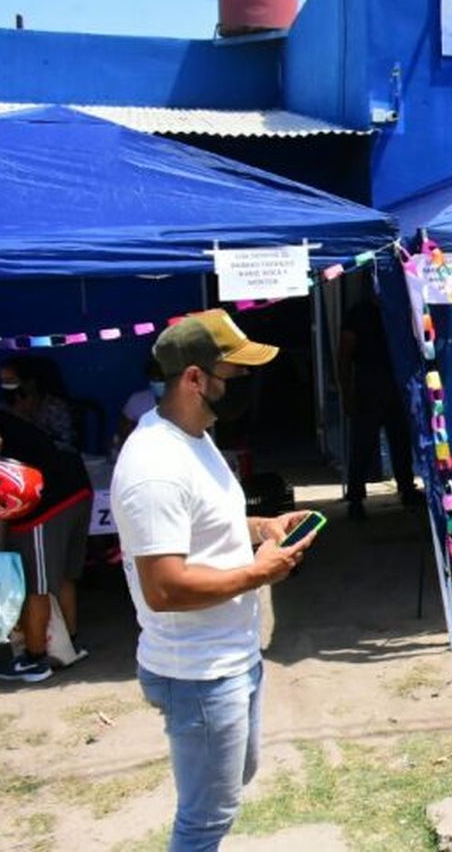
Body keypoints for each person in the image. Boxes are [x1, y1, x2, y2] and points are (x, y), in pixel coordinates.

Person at [111, 309, 318, 852]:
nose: (246, 387)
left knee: (232, 781)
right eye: (235, 375)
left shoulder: (195, 436)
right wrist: (257, 572)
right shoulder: (155, 466)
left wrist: (262, 528)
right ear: (195, 378)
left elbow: (206, 524)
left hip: (231, 656)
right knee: (205, 818)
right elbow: (165, 587)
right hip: (198, 673)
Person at [0, 406, 93, 683]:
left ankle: (35, 661)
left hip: (46, 503)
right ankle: (69, 647)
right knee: (61, 576)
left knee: (36, 584)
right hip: (76, 489)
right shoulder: (7, 416)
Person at [339, 290, 419, 523]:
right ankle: (355, 499)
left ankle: (407, 489)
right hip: (368, 386)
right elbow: (344, 354)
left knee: (401, 440)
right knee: (363, 445)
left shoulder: (402, 307)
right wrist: (346, 393)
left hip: (398, 385)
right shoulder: (359, 313)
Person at [0, 354, 76, 451]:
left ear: (31, 382)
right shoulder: (4, 408)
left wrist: (25, 420)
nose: (6, 385)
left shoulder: (55, 407)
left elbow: (66, 443)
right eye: (3, 381)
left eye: (11, 380)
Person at [117, 358, 168, 446]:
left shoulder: (186, 403)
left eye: (161, 378)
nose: (158, 381)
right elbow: (123, 433)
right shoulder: (137, 400)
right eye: (154, 378)